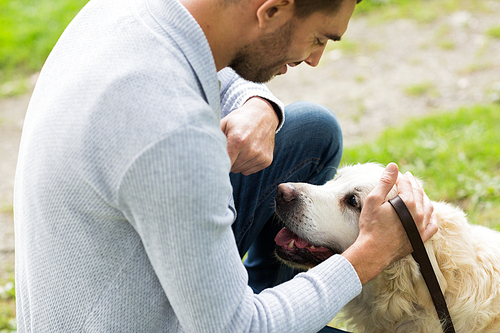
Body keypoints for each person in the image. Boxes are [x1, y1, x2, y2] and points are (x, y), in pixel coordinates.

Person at [14, 0, 438, 331]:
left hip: (103, 286)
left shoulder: (133, 13)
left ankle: (265, 293)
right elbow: (237, 327)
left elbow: (212, 68)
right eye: (320, 38)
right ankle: (270, 306)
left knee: (311, 131)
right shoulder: (173, 134)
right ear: (271, 10)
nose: (315, 59)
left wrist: (260, 103)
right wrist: (369, 254)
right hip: (137, 322)